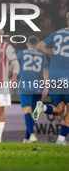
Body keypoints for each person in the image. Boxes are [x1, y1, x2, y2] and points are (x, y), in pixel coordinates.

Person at [33, 12, 69, 145]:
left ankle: (42, 107)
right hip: (67, 74)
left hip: (53, 75)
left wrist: (53, 53)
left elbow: (40, 46)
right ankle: (60, 140)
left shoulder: (57, 33)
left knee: (59, 109)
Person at [17, 36, 48, 143]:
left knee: (27, 111)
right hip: (38, 87)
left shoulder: (21, 53)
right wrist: (46, 86)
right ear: (37, 44)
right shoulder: (42, 55)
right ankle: (27, 138)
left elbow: (14, 67)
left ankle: (32, 134)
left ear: (27, 44)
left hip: (25, 86)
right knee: (33, 113)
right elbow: (45, 71)